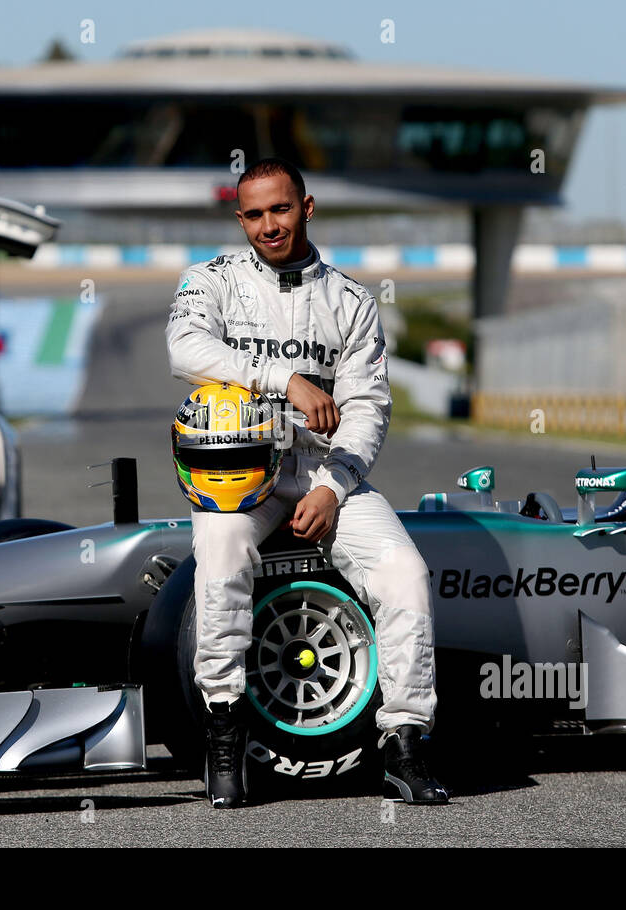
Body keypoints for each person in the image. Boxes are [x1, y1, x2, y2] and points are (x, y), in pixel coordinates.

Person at [164, 157, 448, 807]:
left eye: (282, 209)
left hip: (323, 470)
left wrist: (333, 487)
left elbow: (370, 407)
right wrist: (282, 379)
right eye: (256, 214)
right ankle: (225, 729)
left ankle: (404, 744)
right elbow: (185, 349)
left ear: (308, 206)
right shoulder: (208, 281)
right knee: (222, 552)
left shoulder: (349, 301)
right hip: (237, 472)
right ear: (240, 218)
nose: (270, 224)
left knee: (405, 570)